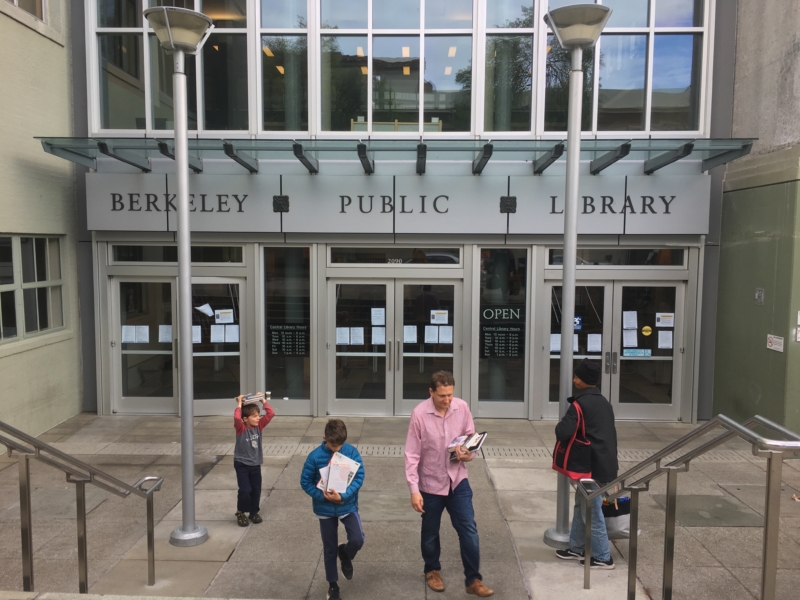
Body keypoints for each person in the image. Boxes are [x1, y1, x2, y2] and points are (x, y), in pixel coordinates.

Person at [404, 371, 494, 598]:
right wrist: (414, 490)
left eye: (450, 395)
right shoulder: (419, 414)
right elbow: (412, 454)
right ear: (431, 392)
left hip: (457, 480)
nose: (447, 400)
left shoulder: (461, 407)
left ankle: (473, 579)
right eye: (442, 395)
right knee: (430, 532)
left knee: (469, 531)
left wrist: (467, 455)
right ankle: (432, 570)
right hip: (430, 482)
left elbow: (469, 439)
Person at [554, 359, 619, 569]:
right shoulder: (604, 402)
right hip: (606, 463)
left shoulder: (579, 405)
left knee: (591, 510)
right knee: (581, 504)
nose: (573, 380)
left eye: (576, 377)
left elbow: (562, 431)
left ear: (584, 381)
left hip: (588, 466)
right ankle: (577, 547)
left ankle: (602, 556)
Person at [300, 419, 365, 600]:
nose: (336, 449)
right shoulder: (314, 457)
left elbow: (359, 476)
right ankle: (333, 586)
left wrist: (343, 496)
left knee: (358, 539)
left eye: (340, 445)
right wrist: (322, 496)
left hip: (347, 505)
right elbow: (305, 482)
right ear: (324, 438)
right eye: (332, 445)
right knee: (329, 547)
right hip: (325, 509)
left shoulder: (351, 452)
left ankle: (345, 553)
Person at [233, 393, 275, 527]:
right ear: (245, 419)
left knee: (256, 489)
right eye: (255, 416)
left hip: (255, 464)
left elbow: (270, 413)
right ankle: (240, 512)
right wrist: (240, 403)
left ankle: (253, 512)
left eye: (258, 415)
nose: (258, 418)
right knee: (245, 490)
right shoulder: (241, 428)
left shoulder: (259, 427)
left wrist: (262, 400)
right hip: (242, 464)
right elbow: (236, 417)